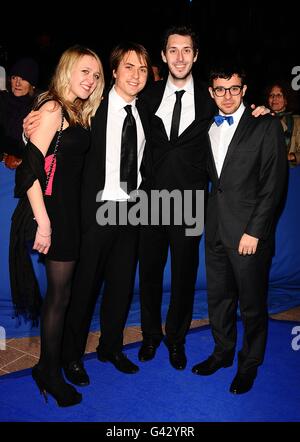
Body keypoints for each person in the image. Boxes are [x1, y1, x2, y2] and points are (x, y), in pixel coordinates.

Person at [138, 25, 270, 371]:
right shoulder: (147, 96)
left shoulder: (211, 97)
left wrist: (261, 112)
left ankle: (176, 340)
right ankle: (151, 335)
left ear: (195, 55)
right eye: (173, 50)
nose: (179, 57)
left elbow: (238, 110)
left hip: (190, 204)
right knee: (150, 273)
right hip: (149, 201)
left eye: (187, 50)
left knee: (183, 275)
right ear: (164, 55)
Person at [25, 41, 152, 384]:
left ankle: (111, 347)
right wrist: (27, 130)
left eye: (142, 69)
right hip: (92, 213)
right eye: (128, 66)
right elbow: (52, 141)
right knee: (81, 291)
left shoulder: (149, 108)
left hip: (131, 211)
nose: (136, 75)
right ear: (113, 73)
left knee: (122, 287)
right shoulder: (91, 108)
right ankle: (71, 358)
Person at [10, 45, 105, 406]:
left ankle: (49, 366)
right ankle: (46, 370)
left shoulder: (75, 111)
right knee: (57, 299)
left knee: (61, 297)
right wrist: (44, 222)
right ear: (67, 70)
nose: (91, 79)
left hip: (70, 213)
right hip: (54, 215)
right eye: (84, 71)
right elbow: (28, 171)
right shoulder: (53, 108)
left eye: (95, 75)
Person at [191, 67, 287, 394]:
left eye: (234, 89)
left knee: (251, 304)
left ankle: (249, 364)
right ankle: (222, 353)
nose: (228, 96)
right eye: (220, 90)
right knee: (219, 299)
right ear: (211, 92)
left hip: (249, 235)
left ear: (244, 89)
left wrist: (255, 232)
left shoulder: (265, 124)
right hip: (216, 229)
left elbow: (273, 185)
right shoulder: (206, 127)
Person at [0, 57, 39, 166]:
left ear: (32, 84)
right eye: (14, 77)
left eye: (23, 79)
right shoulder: (2, 101)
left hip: (20, 169)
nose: (17, 83)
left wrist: (21, 159)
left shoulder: (36, 109)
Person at [265, 80, 300, 166]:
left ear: (286, 100)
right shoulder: (262, 119)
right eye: (271, 95)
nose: (274, 98)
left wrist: (290, 157)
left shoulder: (297, 121)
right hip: (265, 172)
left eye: (279, 95)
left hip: (291, 171)